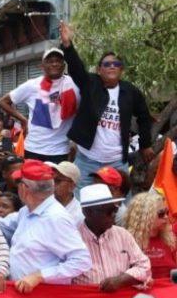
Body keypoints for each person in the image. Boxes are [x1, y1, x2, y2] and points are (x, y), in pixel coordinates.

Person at [59, 22, 153, 187]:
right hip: (87, 160)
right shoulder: (90, 83)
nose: (112, 66)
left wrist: (145, 145)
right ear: (99, 69)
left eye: (116, 64)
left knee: (121, 201)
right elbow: (76, 68)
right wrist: (67, 45)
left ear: (121, 70)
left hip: (117, 162)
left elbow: (144, 117)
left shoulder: (130, 91)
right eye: (107, 64)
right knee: (81, 200)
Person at [0, 160, 92, 293]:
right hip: (23, 295)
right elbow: (1, 224)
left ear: (24, 188)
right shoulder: (27, 210)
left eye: (19, 183)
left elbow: (81, 261)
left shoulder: (56, 218)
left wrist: (40, 276)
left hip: (45, 297)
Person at [0, 48, 80, 163]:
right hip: (34, 148)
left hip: (60, 150)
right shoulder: (32, 85)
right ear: (42, 66)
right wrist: (23, 120)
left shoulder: (74, 85)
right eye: (50, 61)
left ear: (63, 65)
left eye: (58, 61)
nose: (54, 64)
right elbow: (3, 101)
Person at [72, 184, 151, 291]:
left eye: (115, 209)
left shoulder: (122, 235)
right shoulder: (72, 238)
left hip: (119, 297)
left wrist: (122, 280)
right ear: (87, 212)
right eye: (108, 211)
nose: (114, 214)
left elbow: (144, 266)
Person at [124, 192, 176, 279]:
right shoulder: (128, 241)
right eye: (161, 214)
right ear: (145, 216)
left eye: (167, 212)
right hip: (143, 287)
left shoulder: (170, 239)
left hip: (171, 285)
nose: (166, 217)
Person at [47, 161, 84, 225]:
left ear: (71, 186)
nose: (52, 184)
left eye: (58, 181)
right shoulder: (44, 201)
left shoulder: (79, 215)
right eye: (51, 179)